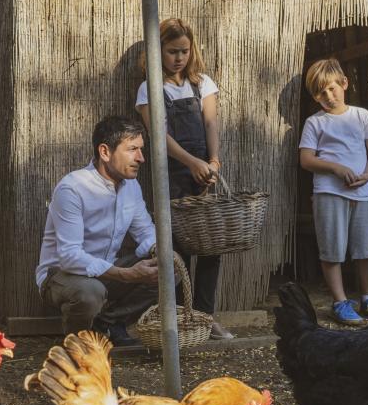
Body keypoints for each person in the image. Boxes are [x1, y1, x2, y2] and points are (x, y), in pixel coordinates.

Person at [134, 18, 232, 339]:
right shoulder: (150, 88)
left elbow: (211, 124)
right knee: (178, 249)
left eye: (184, 51)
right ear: (157, 50)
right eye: (172, 51)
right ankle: (178, 320)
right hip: (172, 175)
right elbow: (159, 136)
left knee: (209, 247)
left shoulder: (202, 83)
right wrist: (190, 162)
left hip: (204, 174)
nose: (179, 58)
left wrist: (212, 161)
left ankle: (206, 318)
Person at [35, 115, 161, 349]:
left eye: (141, 149)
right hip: (61, 275)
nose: (141, 158)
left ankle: (108, 324)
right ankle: (76, 348)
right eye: (132, 149)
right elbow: (70, 256)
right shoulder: (72, 188)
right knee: (90, 293)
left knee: (167, 268)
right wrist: (126, 274)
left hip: (106, 269)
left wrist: (158, 251)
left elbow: (145, 231)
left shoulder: (131, 186)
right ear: (105, 152)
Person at [298, 58, 368, 326]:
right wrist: (335, 168)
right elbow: (306, 160)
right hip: (329, 193)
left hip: (362, 193)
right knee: (332, 249)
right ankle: (340, 301)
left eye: (332, 88)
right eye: (321, 93)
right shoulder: (315, 123)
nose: (328, 96)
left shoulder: (362, 116)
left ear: (344, 83)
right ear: (315, 96)